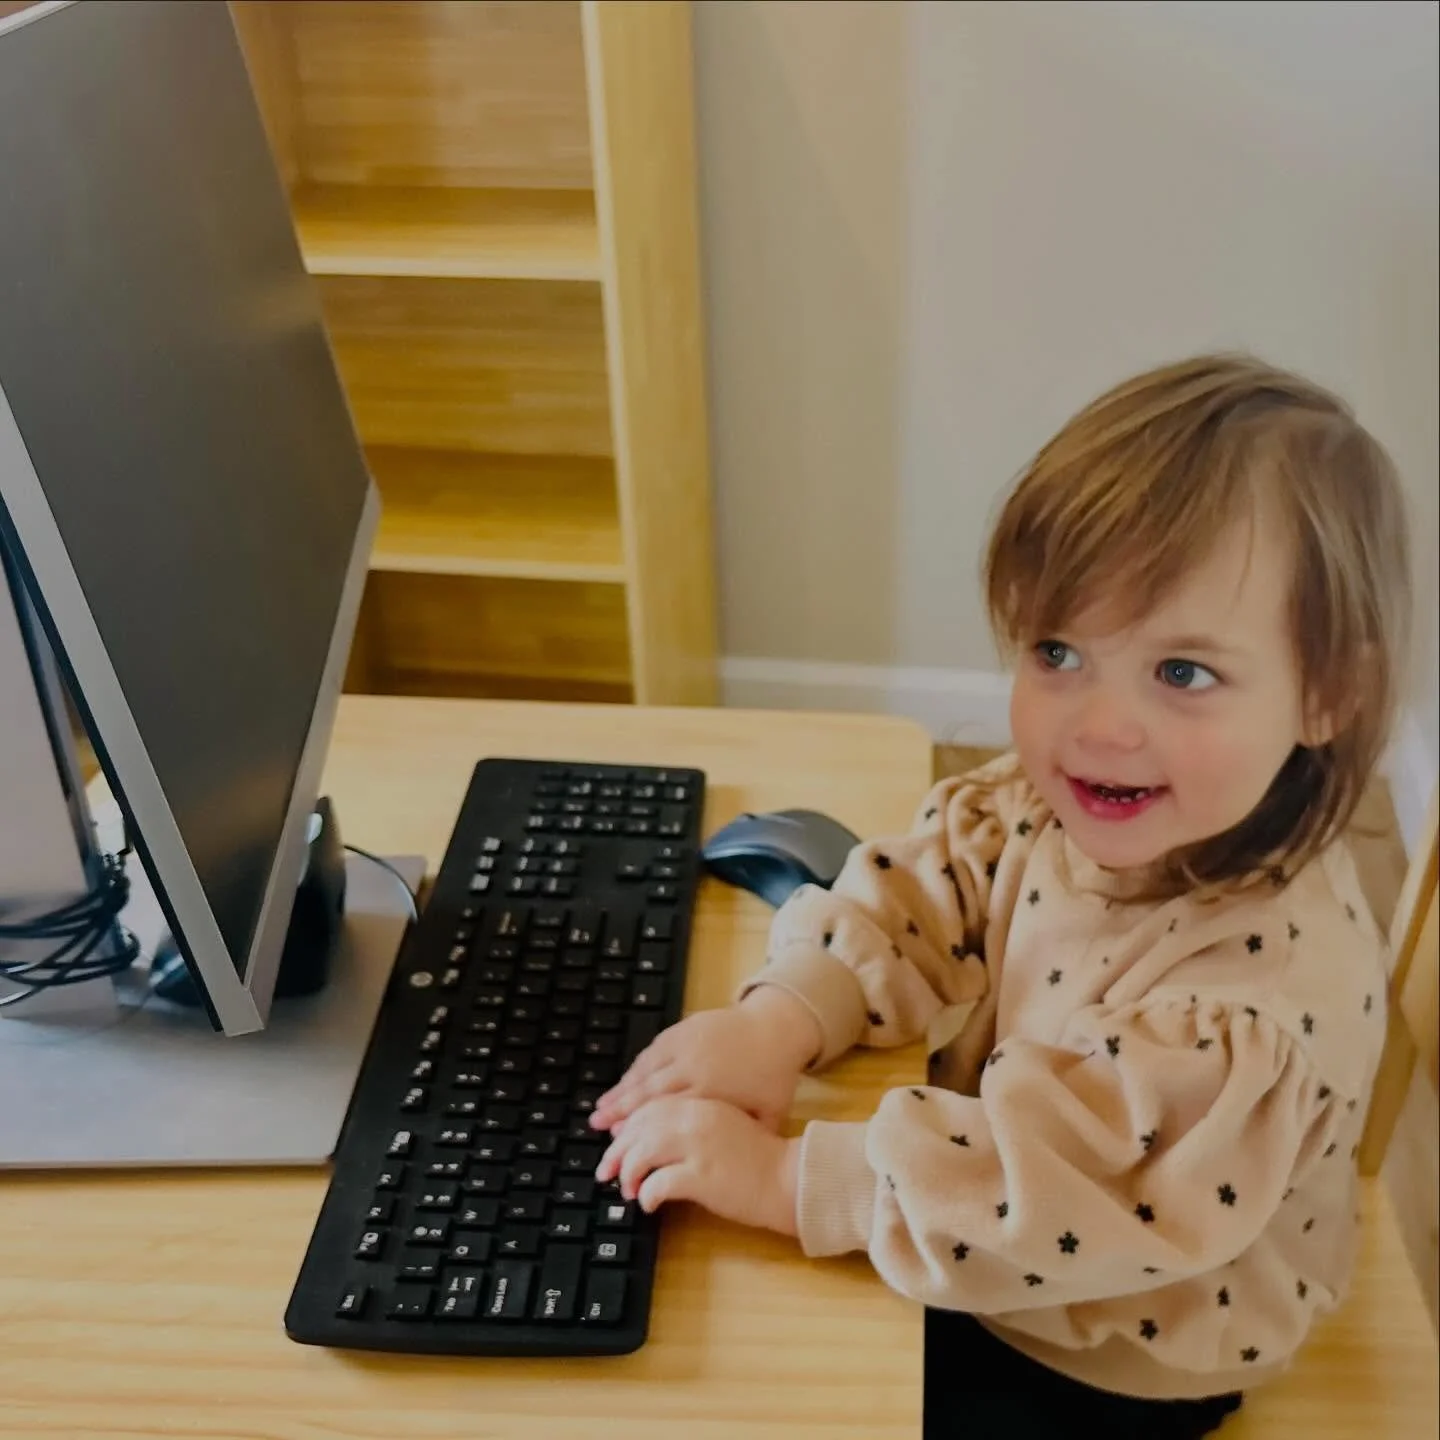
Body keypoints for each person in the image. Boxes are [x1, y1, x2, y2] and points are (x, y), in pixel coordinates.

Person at [589, 354, 1413, 1437]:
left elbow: (1053, 1202)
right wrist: (785, 1016)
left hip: (1114, 1342)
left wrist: (794, 1180)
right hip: (1003, 1205)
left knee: (755, 1385)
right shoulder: (1066, 804)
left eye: (1182, 674)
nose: (1098, 726)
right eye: (1059, 650)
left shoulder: (1241, 1019)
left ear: (1329, 692)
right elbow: (938, 881)